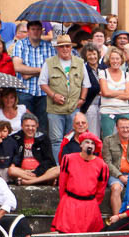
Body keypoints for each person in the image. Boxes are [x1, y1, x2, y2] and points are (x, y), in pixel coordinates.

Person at [39, 34, 88, 162]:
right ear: (57, 48)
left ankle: (72, 165)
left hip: (73, 108)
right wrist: (53, 95)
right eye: (62, 47)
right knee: (56, 140)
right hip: (55, 109)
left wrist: (82, 99)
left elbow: (86, 84)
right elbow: (42, 83)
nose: (65, 49)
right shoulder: (49, 63)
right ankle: (58, 167)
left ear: (71, 47)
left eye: (67, 46)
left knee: (74, 138)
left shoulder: (80, 62)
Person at [52, 131, 106, 233]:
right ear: (81, 144)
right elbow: (62, 183)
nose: (89, 145)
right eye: (87, 142)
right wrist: (66, 202)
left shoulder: (102, 165)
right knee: (65, 236)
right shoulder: (68, 159)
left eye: (92, 143)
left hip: (90, 206)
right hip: (70, 203)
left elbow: (101, 189)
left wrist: (92, 203)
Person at [97, 46, 129, 139]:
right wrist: (121, 92)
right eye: (112, 58)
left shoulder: (126, 75)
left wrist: (111, 92)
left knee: (124, 139)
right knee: (108, 139)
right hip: (107, 111)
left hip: (124, 111)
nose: (115, 61)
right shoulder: (103, 73)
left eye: (117, 58)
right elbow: (105, 92)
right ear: (109, 60)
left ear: (121, 60)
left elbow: (128, 95)